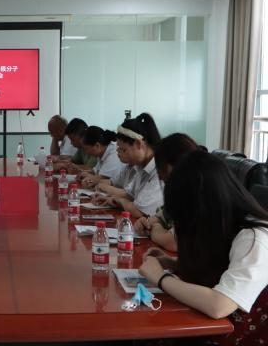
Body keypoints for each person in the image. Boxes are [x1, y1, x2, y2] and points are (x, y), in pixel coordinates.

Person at [139, 151, 268, 345]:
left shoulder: (254, 237)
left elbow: (220, 305)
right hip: (211, 320)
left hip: (241, 331)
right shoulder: (222, 223)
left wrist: (161, 278)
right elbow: (221, 267)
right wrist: (172, 263)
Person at [133, 133, 198, 252]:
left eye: (162, 169)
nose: (160, 177)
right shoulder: (180, 192)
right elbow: (160, 216)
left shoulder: (197, 194)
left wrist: (155, 228)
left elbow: (173, 243)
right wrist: (146, 223)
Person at [92, 113, 163, 218]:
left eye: (123, 149)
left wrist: (118, 200)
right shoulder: (140, 166)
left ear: (138, 144)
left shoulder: (159, 169)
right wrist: (110, 198)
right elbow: (129, 195)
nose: (119, 153)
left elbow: (138, 211)